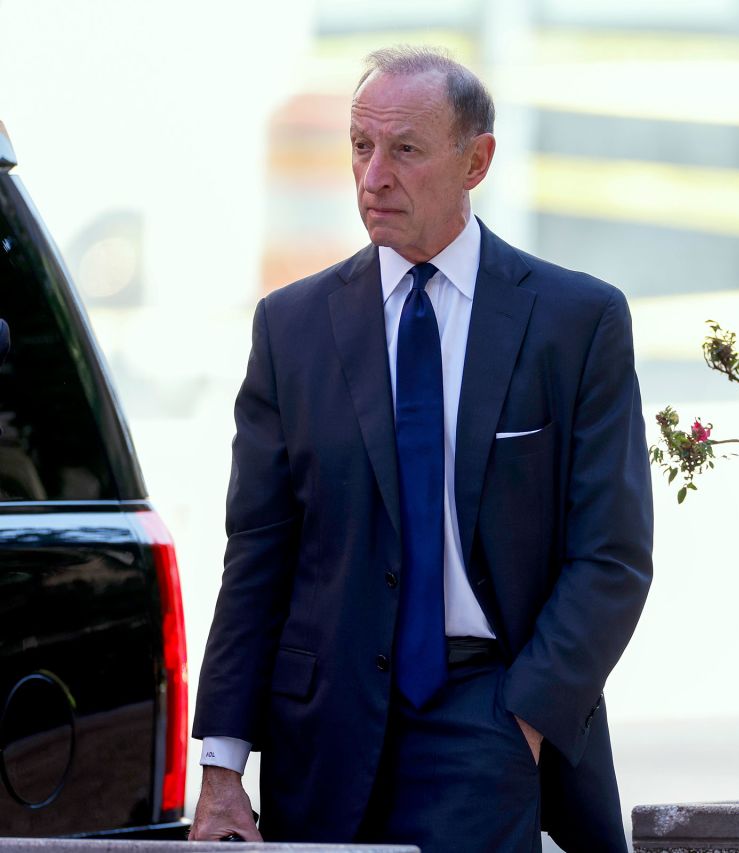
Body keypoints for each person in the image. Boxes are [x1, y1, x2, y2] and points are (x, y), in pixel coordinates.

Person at [187, 46, 653, 852]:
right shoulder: (289, 329)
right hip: (322, 731)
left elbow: (612, 554)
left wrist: (528, 718)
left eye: (404, 149)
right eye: (361, 148)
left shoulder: (575, 323)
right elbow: (257, 555)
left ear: (477, 161)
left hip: (488, 716)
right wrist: (222, 765)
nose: (373, 177)